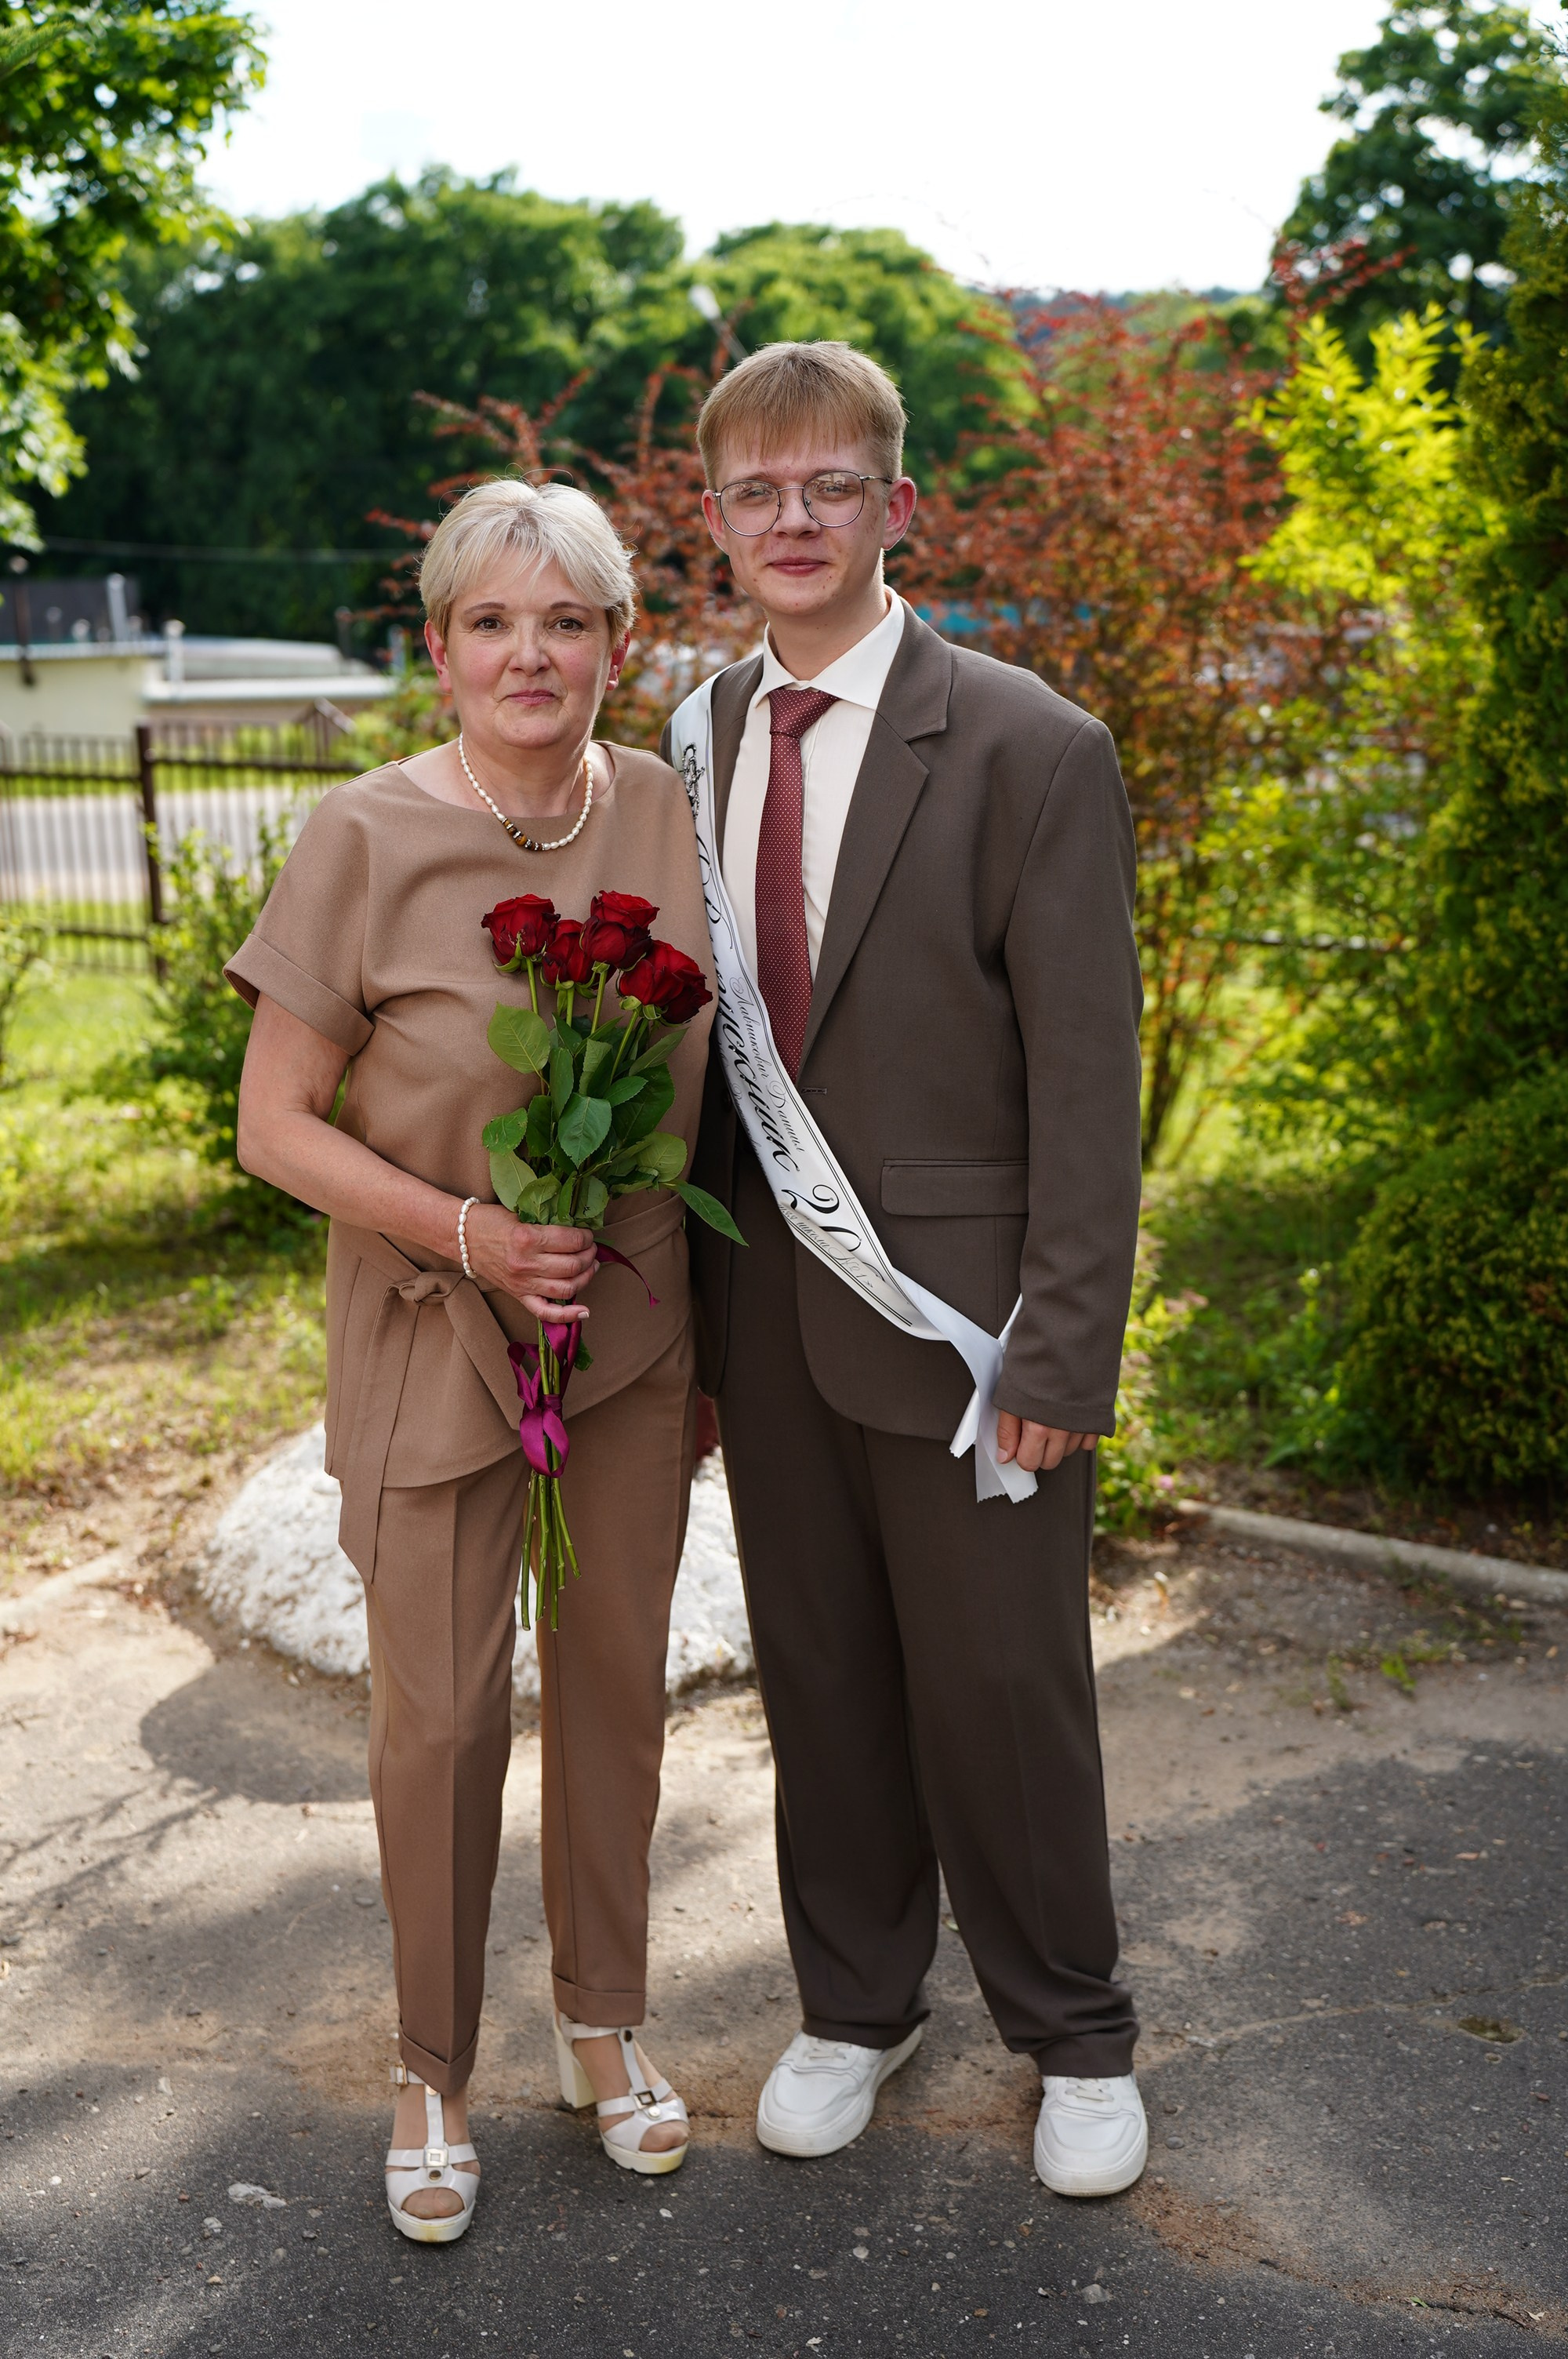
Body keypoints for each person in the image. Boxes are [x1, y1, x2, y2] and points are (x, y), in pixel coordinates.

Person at [666, 342, 1149, 2197]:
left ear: (896, 506)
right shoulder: (692, 739)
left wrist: (1057, 1349)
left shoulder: (1030, 742)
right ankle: (857, 1999)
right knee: (828, 1679)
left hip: (965, 1331)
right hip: (769, 1321)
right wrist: (688, 1343)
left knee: (1003, 1690)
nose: (793, 522)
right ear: (714, 521)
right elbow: (711, 1071)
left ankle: (1075, 2032)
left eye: (830, 487)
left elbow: (1087, 1089)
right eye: (755, 493)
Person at [229, 478, 714, 2241]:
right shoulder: (361, 833)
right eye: (494, 622)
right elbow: (273, 1124)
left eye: (567, 621)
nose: (533, 653)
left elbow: (713, 1102)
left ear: (614, 645)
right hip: (439, 1327)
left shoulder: (667, 810)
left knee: (612, 1698)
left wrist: (702, 1343)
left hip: (632, 1332)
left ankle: (602, 2024)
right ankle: (434, 2064)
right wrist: (466, 1235)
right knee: (436, 1720)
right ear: (437, 649)